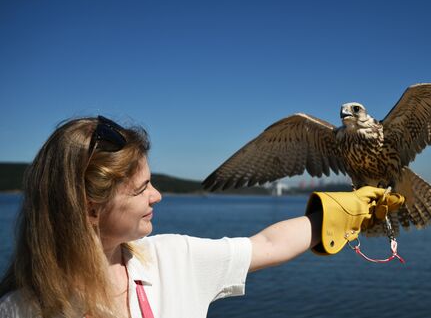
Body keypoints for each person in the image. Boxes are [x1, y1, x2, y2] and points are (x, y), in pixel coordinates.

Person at [0, 115, 393, 318]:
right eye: (142, 189)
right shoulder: (20, 309)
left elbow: (267, 245)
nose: (158, 195)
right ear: (89, 209)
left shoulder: (171, 259)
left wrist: (347, 209)